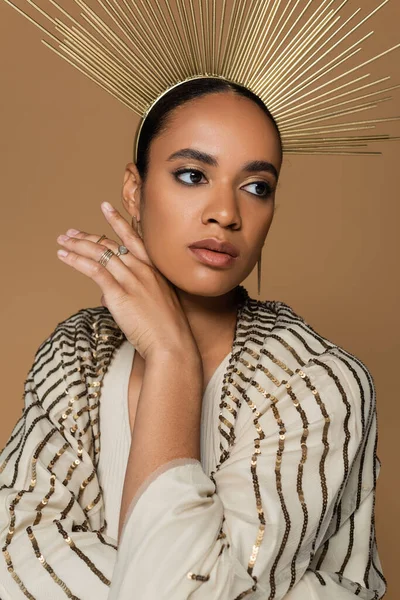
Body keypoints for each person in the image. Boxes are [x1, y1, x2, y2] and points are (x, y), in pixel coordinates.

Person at [0, 77, 387, 599]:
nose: (226, 213)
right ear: (134, 191)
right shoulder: (75, 355)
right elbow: (11, 553)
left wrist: (171, 357)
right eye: (192, 175)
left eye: (257, 187)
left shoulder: (317, 384)